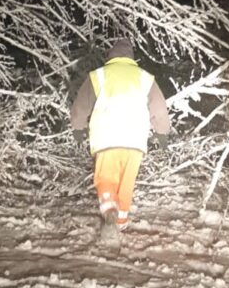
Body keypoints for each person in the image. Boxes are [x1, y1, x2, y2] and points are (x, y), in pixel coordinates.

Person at [70, 38, 171, 237]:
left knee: (106, 178)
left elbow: (80, 105)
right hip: (134, 140)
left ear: (110, 56)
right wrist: (162, 133)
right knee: (127, 183)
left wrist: (78, 128)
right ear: (132, 57)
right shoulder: (144, 77)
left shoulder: (99, 76)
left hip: (106, 137)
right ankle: (121, 223)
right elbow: (159, 108)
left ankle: (109, 211)